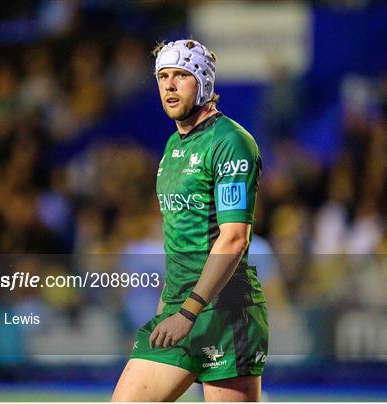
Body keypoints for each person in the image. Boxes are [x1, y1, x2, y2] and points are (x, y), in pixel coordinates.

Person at [112, 39, 268, 402]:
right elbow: (181, 239)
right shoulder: (173, 147)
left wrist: (188, 311)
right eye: (162, 76)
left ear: (205, 82)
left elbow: (233, 239)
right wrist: (168, 306)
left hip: (225, 315)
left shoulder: (231, 142)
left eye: (181, 75)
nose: (168, 85)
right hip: (180, 307)